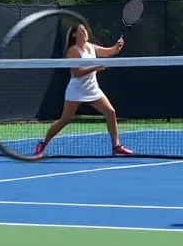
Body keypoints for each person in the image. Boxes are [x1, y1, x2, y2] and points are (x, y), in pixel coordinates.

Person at [33, 23, 132, 157]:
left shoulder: (91, 47)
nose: (85, 33)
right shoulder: (73, 51)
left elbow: (110, 51)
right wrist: (95, 68)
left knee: (110, 112)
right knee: (65, 120)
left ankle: (116, 147)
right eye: (82, 31)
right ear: (74, 34)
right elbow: (75, 73)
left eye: (85, 31)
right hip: (76, 90)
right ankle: (43, 143)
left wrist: (117, 46)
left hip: (92, 89)